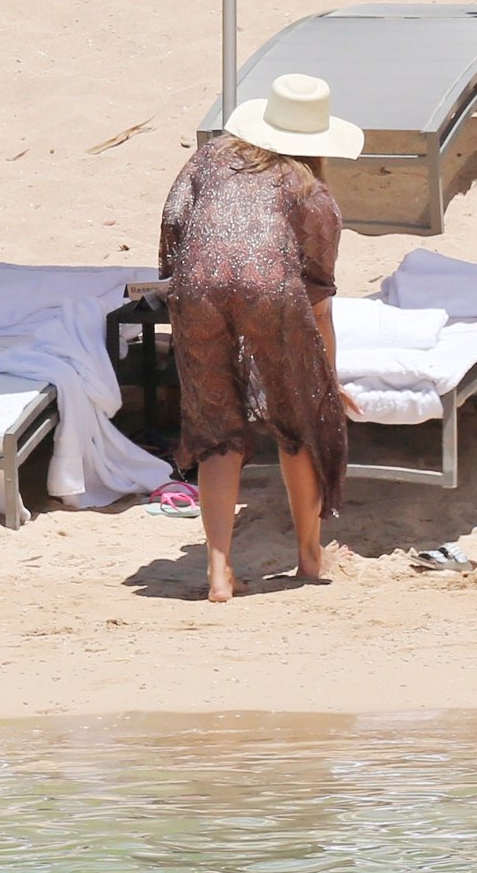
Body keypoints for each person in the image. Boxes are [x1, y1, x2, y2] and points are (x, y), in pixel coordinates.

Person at [158, 73, 364, 602]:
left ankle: (219, 573)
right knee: (299, 423)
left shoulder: (209, 157)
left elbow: (175, 220)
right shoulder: (311, 192)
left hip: (196, 286)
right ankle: (310, 557)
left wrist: (185, 281)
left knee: (216, 427)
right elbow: (318, 303)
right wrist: (326, 381)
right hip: (270, 290)